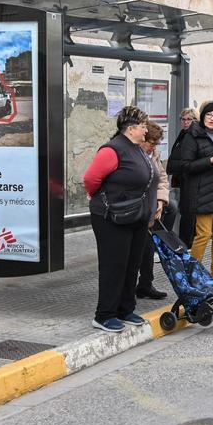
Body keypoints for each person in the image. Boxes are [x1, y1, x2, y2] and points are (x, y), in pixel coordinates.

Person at [84, 106, 158, 333]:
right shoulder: (113, 149)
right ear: (131, 129)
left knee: (131, 264)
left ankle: (125, 309)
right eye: (143, 126)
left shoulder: (135, 148)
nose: (146, 130)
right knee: (113, 265)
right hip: (112, 217)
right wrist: (107, 199)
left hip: (135, 216)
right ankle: (104, 315)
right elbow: (91, 179)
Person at [167, 101, 213, 288]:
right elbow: (184, 166)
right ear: (203, 115)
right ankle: (193, 275)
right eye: (209, 115)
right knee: (203, 235)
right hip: (202, 193)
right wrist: (210, 160)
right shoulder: (192, 135)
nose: (212, 119)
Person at [134, 121, 173, 301]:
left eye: (157, 144)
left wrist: (160, 200)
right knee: (138, 251)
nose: (154, 147)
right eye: (151, 143)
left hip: (150, 208)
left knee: (148, 248)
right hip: (137, 210)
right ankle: (130, 289)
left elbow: (162, 179)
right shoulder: (134, 154)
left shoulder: (154, 154)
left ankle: (145, 285)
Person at [172, 107, 200, 246]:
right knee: (184, 210)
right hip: (181, 177)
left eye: (189, 119)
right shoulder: (183, 133)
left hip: (189, 178)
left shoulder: (193, 135)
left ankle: (187, 243)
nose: (185, 122)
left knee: (188, 212)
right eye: (183, 119)